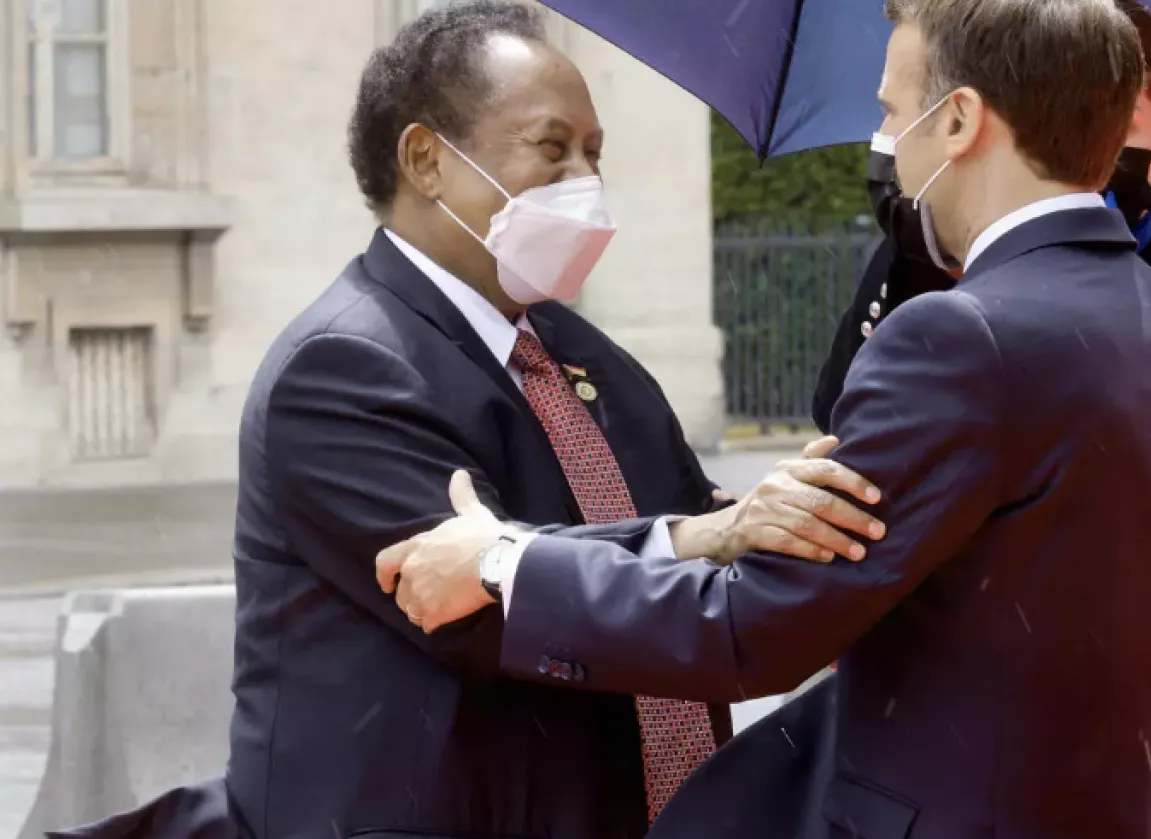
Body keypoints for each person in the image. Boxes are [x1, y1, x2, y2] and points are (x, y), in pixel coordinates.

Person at [379, 0, 1151, 836]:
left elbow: (752, 628)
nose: (885, 146)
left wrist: (505, 564)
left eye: (892, 109)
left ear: (958, 122)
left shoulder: (959, 338)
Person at [49, 4, 885, 839]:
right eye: (551, 149)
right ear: (427, 161)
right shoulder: (344, 368)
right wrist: (700, 538)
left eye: (594, 154)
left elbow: (706, 558)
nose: (584, 184)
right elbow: (479, 607)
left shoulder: (588, 359)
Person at [814, 4, 1151, 836]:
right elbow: (841, 418)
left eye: (1120, 110)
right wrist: (923, 234)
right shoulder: (942, 287)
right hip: (961, 725)